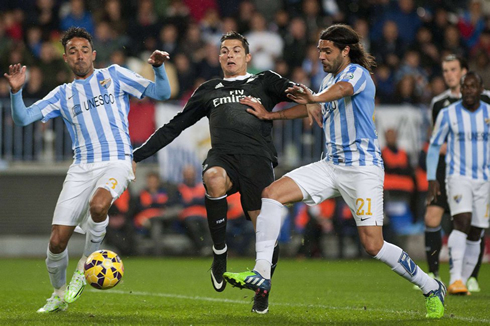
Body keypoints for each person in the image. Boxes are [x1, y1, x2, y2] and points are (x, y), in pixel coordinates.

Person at [223, 24, 446, 319]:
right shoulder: (328, 81)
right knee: (272, 194)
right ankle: (262, 273)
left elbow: (342, 91)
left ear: (345, 51)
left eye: (327, 51)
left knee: (373, 245)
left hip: (362, 170)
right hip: (330, 165)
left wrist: (314, 98)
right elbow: (310, 108)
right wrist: (270, 115)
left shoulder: (356, 74)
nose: (321, 56)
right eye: (318, 51)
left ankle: (431, 286)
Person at [132, 31, 309, 313]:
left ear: (247, 57)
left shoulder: (265, 81)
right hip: (223, 156)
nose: (230, 55)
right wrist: (137, 155)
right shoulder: (208, 89)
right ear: (218, 57)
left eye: (236, 50)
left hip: (257, 161)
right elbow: (174, 126)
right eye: (224, 50)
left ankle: (262, 288)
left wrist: (273, 113)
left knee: (265, 233)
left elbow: (306, 103)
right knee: (212, 178)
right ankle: (219, 252)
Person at [3, 27, 171, 313]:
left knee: (99, 204)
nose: (79, 55)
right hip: (81, 167)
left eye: (83, 50)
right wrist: (16, 92)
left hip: (117, 160)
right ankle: (58, 294)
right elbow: (22, 119)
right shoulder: (62, 94)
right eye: (72, 52)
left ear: (93, 54)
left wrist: (158, 68)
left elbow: (162, 92)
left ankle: (87, 262)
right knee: (57, 242)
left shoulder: (114, 75)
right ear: (66, 59)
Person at [423, 54, 490, 292]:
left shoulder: (489, 108)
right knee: (459, 221)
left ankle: (467, 277)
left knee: (476, 229)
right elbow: (433, 144)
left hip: (484, 179)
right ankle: (451, 278)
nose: (468, 90)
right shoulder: (445, 110)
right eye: (445, 70)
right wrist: (432, 177)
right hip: (456, 174)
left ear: (481, 88)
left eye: (473, 86)